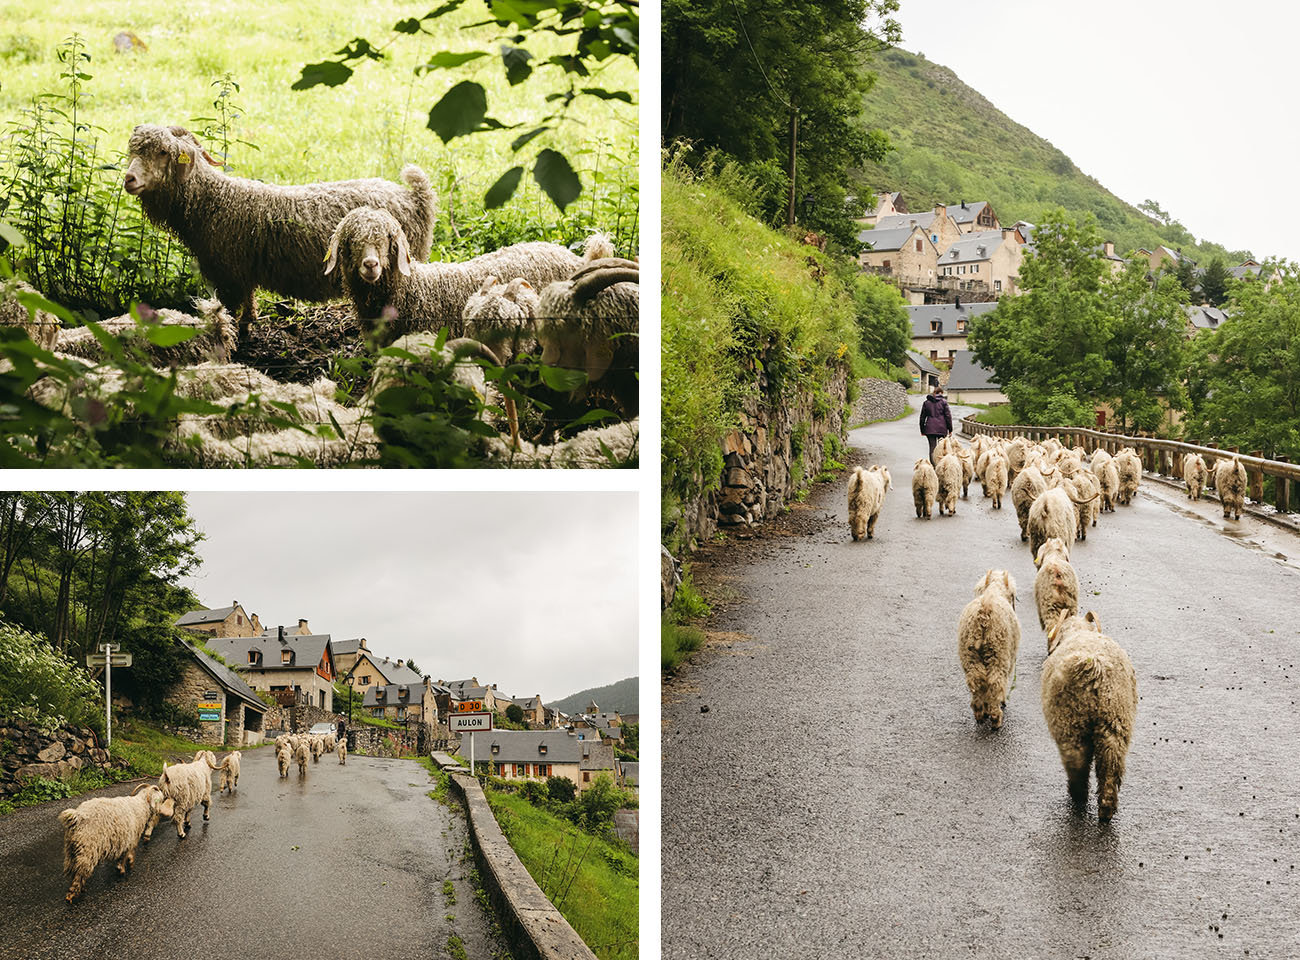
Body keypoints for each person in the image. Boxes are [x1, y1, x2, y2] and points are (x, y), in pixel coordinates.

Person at [920, 384, 952, 466]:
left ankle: (934, 466)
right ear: (941, 393)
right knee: (942, 448)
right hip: (942, 429)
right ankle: (941, 465)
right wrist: (950, 429)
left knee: (932, 448)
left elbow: (922, 417)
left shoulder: (926, 403)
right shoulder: (944, 402)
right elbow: (948, 416)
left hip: (929, 429)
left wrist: (922, 430)